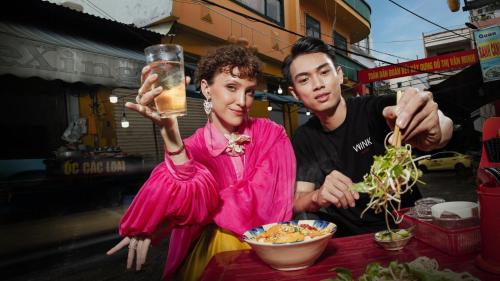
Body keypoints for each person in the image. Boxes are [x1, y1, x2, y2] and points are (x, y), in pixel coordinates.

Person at [107, 45, 295, 280]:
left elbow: (268, 203)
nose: (242, 101)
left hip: (268, 251)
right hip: (210, 257)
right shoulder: (191, 148)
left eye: (249, 91)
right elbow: (164, 192)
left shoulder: (272, 134)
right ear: (206, 88)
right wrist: (171, 137)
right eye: (231, 87)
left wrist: (174, 217)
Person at [283, 37, 453, 237]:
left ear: (339, 75)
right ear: (294, 93)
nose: (318, 84)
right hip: (351, 238)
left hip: (406, 227)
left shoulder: (373, 110)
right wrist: (318, 196)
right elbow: (298, 199)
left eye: (324, 72)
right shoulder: (304, 137)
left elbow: (440, 123)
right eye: (304, 80)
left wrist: (436, 129)